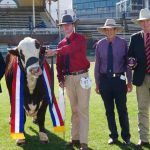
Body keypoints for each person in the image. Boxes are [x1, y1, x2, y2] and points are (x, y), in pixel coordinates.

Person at [47, 14, 91, 150]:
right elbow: (59, 65)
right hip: (68, 79)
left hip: (82, 76)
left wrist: (55, 51)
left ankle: (83, 142)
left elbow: (71, 49)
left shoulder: (80, 39)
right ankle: (75, 139)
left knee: (83, 110)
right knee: (74, 110)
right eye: (63, 25)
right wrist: (60, 79)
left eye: (68, 24)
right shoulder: (61, 44)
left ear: (73, 26)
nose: (66, 27)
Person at [94, 19, 132, 145]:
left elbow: (128, 64)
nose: (109, 31)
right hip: (105, 81)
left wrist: (129, 81)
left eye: (112, 29)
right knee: (109, 111)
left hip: (119, 81)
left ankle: (126, 136)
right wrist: (97, 83)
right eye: (107, 29)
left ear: (115, 30)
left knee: (122, 110)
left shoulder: (122, 43)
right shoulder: (100, 44)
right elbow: (97, 65)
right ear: (104, 31)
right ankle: (113, 136)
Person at [128, 8, 150, 147]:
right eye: (143, 21)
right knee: (142, 109)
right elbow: (130, 57)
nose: (145, 24)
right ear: (140, 23)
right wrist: (132, 62)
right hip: (141, 79)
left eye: (147, 21)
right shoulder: (135, 38)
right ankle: (144, 138)